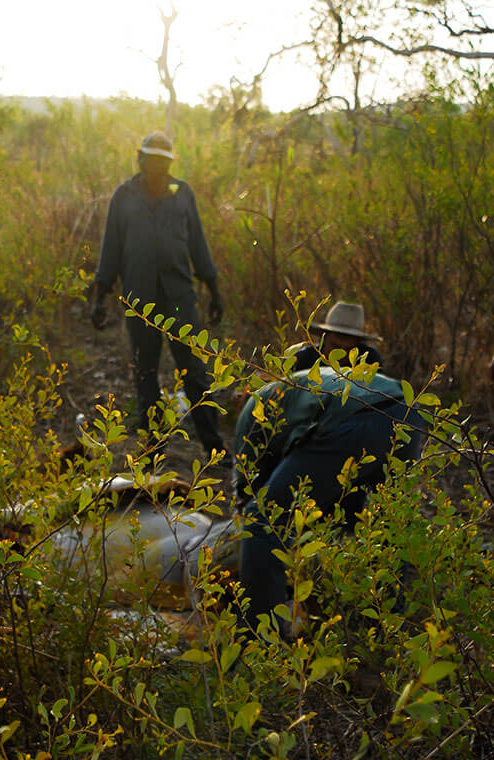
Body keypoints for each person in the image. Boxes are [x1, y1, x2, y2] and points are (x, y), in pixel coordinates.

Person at [234, 366, 423, 632]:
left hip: (354, 420)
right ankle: (387, 626)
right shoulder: (303, 381)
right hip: (407, 413)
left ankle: (260, 639)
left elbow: (249, 490)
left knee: (261, 520)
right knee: (390, 520)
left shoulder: (255, 405)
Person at [91, 131, 227, 458]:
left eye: (164, 162)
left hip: (180, 298)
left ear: (170, 163)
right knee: (146, 372)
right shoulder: (123, 197)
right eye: (151, 160)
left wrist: (214, 289)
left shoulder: (183, 195)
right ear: (140, 159)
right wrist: (99, 296)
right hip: (140, 301)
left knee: (193, 371)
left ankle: (213, 446)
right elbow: (111, 249)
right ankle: (153, 449)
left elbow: (198, 245)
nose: (157, 167)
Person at [291, 301, 383, 372]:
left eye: (349, 349)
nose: (342, 354)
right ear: (323, 339)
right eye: (335, 346)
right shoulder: (303, 358)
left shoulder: (370, 359)